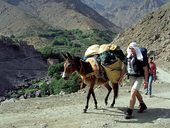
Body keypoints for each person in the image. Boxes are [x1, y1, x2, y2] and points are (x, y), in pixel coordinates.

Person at [119, 42, 149, 119]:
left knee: (133, 92)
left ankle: (130, 111)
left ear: (136, 49)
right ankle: (142, 105)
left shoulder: (141, 58)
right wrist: (121, 78)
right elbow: (124, 68)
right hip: (131, 77)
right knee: (136, 92)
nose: (131, 50)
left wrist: (146, 81)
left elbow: (145, 70)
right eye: (130, 49)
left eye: (133, 49)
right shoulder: (128, 57)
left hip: (139, 77)